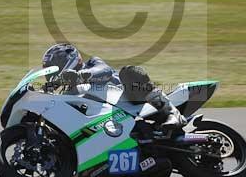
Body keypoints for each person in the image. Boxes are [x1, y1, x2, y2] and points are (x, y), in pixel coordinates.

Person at [41, 43, 186, 130]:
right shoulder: (68, 93)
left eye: (54, 65)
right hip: (113, 121)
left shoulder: (92, 63)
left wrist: (80, 76)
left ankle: (172, 112)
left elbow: (106, 71)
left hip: (132, 100)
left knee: (129, 72)